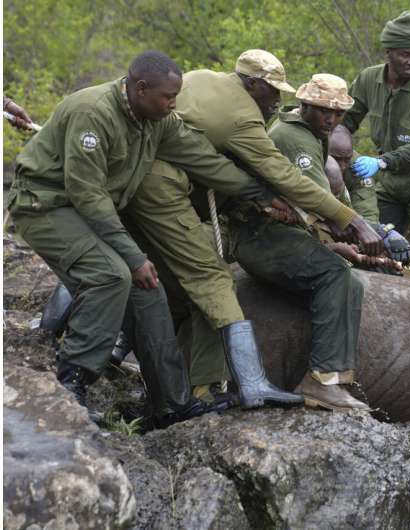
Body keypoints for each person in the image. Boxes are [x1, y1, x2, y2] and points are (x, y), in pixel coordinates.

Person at [124, 52, 384, 411]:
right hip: (231, 218)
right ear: (253, 85)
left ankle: (201, 385)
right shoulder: (257, 123)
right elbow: (289, 181)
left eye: (338, 113)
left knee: (205, 281)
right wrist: (351, 223)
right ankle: (319, 379)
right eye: (273, 91)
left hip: (218, 206)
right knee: (219, 281)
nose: (278, 99)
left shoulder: (203, 78)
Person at [7, 51, 248, 428]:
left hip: (88, 212)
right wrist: (134, 256)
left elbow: (203, 159)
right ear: (139, 88)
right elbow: (88, 196)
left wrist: (260, 193)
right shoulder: (94, 112)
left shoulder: (156, 119)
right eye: (168, 96)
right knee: (111, 275)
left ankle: (172, 404)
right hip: (45, 204)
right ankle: (72, 380)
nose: (173, 104)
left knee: (148, 291)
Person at [343, 10, 410, 270]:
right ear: (388, 52)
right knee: (378, 244)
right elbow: (345, 122)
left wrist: (380, 163)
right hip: (389, 185)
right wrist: (339, 157)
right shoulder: (369, 79)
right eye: (406, 54)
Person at [328, 125, 380, 224]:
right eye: (337, 159)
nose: (343, 166)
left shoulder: (359, 166)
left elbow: (367, 208)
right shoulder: (312, 160)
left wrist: (368, 228)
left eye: (347, 159)